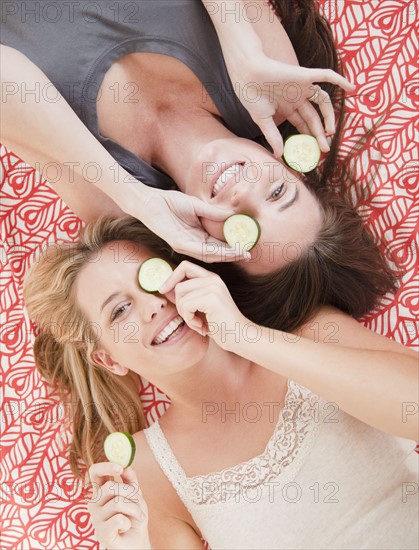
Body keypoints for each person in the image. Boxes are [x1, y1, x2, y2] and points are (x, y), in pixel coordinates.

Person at [22, 215, 418, 550]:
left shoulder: (303, 329)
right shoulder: (145, 471)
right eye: (121, 310)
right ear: (108, 358)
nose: (153, 304)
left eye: (151, 279)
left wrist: (247, 336)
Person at [1, 0, 355, 265]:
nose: (243, 193)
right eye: (277, 192)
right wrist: (242, 46)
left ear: (211, 249)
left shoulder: (114, 198)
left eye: (243, 230)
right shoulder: (277, 87)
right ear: (294, 168)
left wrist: (132, 195)